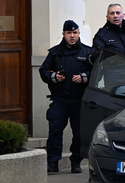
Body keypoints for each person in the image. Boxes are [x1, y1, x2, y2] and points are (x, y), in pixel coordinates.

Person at [39, 20, 94, 173]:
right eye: (69, 33)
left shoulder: (88, 53)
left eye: (75, 33)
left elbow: (97, 72)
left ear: (79, 34)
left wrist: (84, 77)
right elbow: (44, 71)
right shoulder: (55, 53)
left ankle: (76, 162)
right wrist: (54, 77)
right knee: (55, 131)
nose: (72, 36)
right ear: (63, 34)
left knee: (79, 133)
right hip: (60, 99)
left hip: (79, 100)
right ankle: (53, 162)